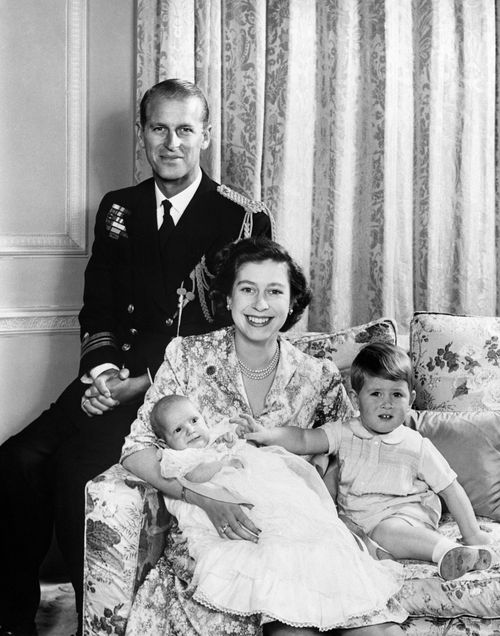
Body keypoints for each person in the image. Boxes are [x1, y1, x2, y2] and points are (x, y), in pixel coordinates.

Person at [0, 79, 271, 636]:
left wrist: (139, 383)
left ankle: (93, 625)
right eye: (159, 129)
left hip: (174, 398)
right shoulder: (117, 208)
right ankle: (11, 616)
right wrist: (101, 374)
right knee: (17, 460)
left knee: (77, 473)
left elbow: (228, 333)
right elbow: (97, 303)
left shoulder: (239, 218)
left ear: (206, 136)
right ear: (142, 134)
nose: (171, 143)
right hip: (109, 380)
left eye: (185, 130)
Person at [120, 236, 406, 636]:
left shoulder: (316, 375)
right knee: (292, 631)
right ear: (229, 299)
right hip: (222, 549)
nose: (260, 304)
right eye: (247, 289)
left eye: (274, 291)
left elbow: (350, 448)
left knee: (380, 634)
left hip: (303, 540)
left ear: (291, 303)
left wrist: (331, 509)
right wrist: (204, 497)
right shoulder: (185, 356)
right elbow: (135, 451)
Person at [146, 392, 407, 632]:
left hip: (264, 497)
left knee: (303, 527)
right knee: (271, 552)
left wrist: (232, 442)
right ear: (164, 441)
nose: (191, 430)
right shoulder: (178, 458)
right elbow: (195, 474)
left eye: (194, 420)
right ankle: (297, 599)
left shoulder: (214, 439)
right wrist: (222, 461)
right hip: (233, 512)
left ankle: (339, 575)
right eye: (179, 429)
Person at [244, 341, 493, 581]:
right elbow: (304, 439)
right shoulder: (343, 432)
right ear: (355, 399)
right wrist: (267, 435)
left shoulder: (416, 445)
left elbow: (451, 490)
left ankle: (448, 552)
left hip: (405, 513)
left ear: (411, 400)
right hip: (357, 519)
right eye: (376, 393)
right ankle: (379, 553)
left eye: (397, 394)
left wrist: (472, 534)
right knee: (329, 538)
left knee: (387, 531)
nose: (387, 403)